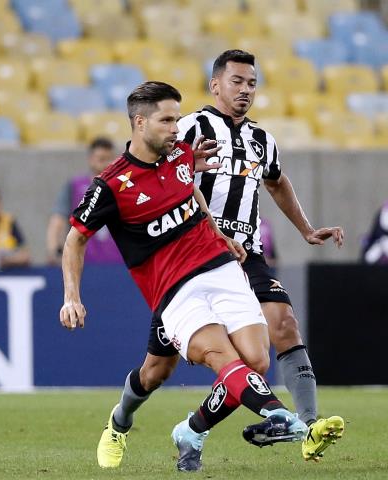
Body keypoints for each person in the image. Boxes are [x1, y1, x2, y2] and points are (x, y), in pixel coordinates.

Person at [95, 50, 346, 469]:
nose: (245, 90)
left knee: (279, 329)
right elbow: (145, 168)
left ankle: (306, 427)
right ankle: (122, 420)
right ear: (216, 85)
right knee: (156, 371)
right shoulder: (188, 127)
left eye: (252, 83)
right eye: (237, 82)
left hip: (244, 255)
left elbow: (277, 181)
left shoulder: (263, 140)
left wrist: (305, 228)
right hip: (187, 258)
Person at [60, 81, 308, 472]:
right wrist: (72, 296)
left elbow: (191, 192)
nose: (177, 128)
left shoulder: (180, 156)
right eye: (167, 120)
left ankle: (191, 431)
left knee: (256, 362)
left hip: (220, 267)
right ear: (140, 123)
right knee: (161, 371)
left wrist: (219, 233)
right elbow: (75, 240)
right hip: (174, 290)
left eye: (177, 118)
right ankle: (120, 422)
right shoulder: (111, 185)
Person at [45, 137, 119, 265]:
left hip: (119, 264)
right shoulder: (75, 186)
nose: (107, 164)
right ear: (91, 160)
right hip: (82, 264)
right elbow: (57, 220)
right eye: (101, 159)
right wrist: (54, 250)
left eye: (110, 159)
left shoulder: (123, 187)